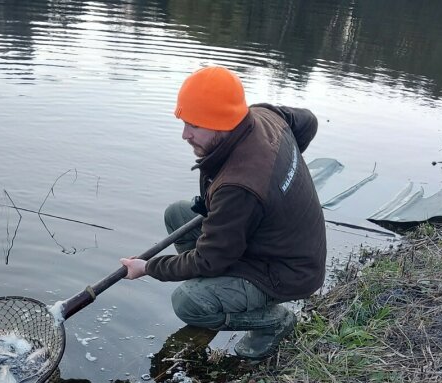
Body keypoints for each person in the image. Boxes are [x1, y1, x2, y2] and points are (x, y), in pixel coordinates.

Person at [121, 65, 326, 359]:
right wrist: (279, 183)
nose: (184, 135)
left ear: (220, 123)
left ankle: (274, 323)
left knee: (188, 302)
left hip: (288, 272)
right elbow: (308, 122)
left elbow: (209, 258)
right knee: (177, 214)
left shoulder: (240, 186)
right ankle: (219, 287)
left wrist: (148, 268)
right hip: (279, 241)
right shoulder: (264, 116)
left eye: (193, 125)